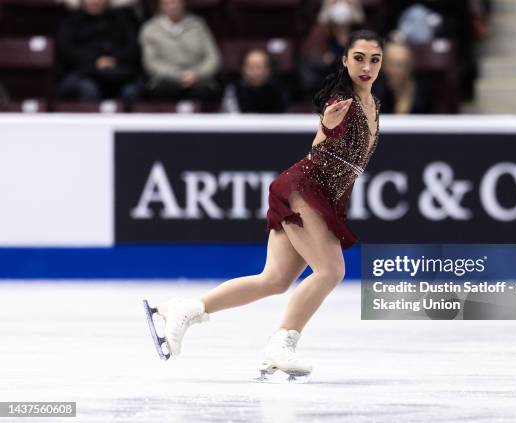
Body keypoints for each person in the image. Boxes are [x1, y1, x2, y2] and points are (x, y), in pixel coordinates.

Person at [143, 30, 384, 382]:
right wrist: (328, 128)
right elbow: (318, 153)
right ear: (345, 60)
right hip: (306, 189)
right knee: (331, 271)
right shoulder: (340, 101)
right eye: (359, 58)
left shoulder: (374, 104)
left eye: (374, 59)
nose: (366, 66)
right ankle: (281, 345)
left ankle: (186, 310)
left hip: (322, 195)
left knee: (274, 279)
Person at [56, 0, 141, 103]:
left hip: (120, 72)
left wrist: (114, 60)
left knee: (131, 91)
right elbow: (67, 52)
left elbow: (134, 48)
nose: (95, 2)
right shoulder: (70, 22)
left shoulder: (123, 19)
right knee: (88, 89)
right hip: (82, 72)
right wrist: (95, 61)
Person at [139, 0, 221, 102]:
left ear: (183, 4)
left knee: (204, 92)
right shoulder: (150, 29)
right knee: (163, 91)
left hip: (198, 79)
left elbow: (213, 57)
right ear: (160, 6)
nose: (172, 6)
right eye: (168, 3)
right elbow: (151, 62)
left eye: (175, 3)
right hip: (165, 80)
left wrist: (197, 73)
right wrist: (178, 75)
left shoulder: (198, 25)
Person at [298, 0, 365, 99]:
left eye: (347, 1)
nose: (342, 4)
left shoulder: (363, 34)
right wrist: (325, 63)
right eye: (335, 1)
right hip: (326, 92)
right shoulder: (318, 34)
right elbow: (309, 72)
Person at [220, 48, 288, 113]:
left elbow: (283, 119)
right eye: (251, 67)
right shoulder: (233, 89)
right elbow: (230, 118)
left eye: (259, 66)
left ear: (268, 69)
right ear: (243, 69)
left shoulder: (278, 90)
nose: (255, 71)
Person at [373, 40, 433, 114]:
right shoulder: (373, 90)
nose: (398, 70)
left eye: (404, 64)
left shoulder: (423, 92)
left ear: (411, 66)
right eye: (392, 64)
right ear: (383, 66)